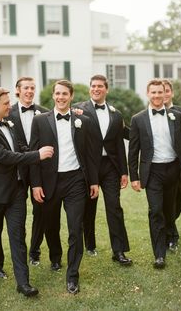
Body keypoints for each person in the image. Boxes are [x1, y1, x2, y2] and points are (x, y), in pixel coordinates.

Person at [0, 86, 54, 297]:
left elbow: (21, 149)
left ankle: (23, 283)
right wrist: (38, 155)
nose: (10, 106)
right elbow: (7, 157)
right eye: (6, 103)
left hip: (17, 191)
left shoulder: (10, 123)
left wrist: (36, 152)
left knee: (17, 235)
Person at [29, 79, 99, 294]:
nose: (60, 97)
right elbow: (33, 155)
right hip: (50, 182)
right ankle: (55, 257)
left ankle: (72, 276)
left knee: (75, 228)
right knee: (51, 225)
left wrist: (94, 180)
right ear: (53, 96)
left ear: (71, 96)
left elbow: (90, 154)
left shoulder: (83, 121)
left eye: (64, 94)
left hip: (76, 181)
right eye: (57, 94)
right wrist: (36, 184)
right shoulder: (40, 121)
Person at [128, 78, 181, 269]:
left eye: (160, 92)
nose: (157, 96)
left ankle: (170, 236)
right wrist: (134, 177)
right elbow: (133, 150)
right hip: (152, 171)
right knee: (155, 211)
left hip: (173, 169)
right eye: (153, 92)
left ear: (166, 94)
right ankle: (159, 254)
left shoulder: (177, 117)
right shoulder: (138, 119)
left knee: (169, 210)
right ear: (148, 94)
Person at [73, 74, 132, 265]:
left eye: (100, 86)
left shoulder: (116, 114)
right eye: (93, 86)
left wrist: (124, 171)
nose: (96, 89)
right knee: (88, 207)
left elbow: (118, 144)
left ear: (106, 89)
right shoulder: (78, 111)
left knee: (114, 207)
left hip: (111, 167)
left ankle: (119, 251)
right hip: (89, 166)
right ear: (90, 88)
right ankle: (89, 244)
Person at [7, 76, 49, 266]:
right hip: (18, 171)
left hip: (41, 170)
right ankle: (20, 251)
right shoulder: (7, 113)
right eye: (26, 88)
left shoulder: (44, 112)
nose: (30, 91)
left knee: (40, 211)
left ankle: (35, 251)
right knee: (19, 214)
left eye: (32, 88)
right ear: (18, 90)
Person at [163, 78, 181, 250]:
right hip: (161, 167)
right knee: (166, 201)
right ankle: (171, 234)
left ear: (171, 93)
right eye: (161, 90)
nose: (164, 94)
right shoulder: (148, 114)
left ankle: (170, 225)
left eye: (167, 90)